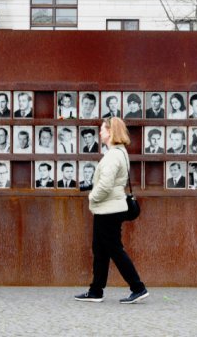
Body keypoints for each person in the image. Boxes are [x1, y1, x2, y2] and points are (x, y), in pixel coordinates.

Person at [74, 117, 148, 304]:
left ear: (111, 132)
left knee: (114, 249)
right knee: (101, 250)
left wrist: (92, 197)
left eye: (102, 129)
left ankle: (138, 287)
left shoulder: (113, 155)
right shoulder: (119, 153)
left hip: (109, 209)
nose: (100, 133)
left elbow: (106, 185)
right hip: (110, 208)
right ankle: (96, 290)